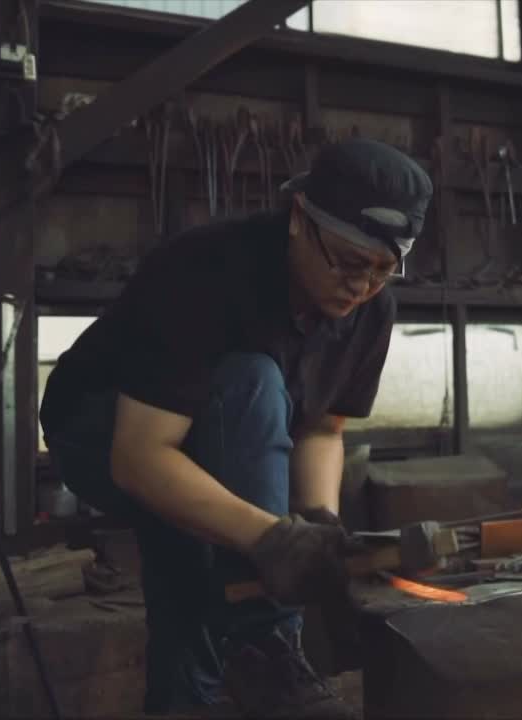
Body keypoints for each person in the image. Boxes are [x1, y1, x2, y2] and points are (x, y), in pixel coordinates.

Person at [39, 138, 433, 718]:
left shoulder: (371, 312)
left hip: (216, 436)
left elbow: (322, 431)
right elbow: (140, 457)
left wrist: (316, 524)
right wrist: (272, 540)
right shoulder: (203, 272)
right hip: (102, 430)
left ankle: (238, 672)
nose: (362, 285)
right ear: (299, 216)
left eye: (383, 269)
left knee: (215, 517)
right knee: (246, 397)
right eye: (350, 262)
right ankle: (262, 649)